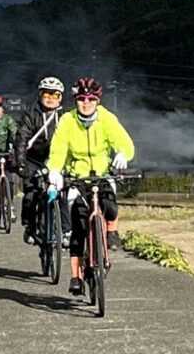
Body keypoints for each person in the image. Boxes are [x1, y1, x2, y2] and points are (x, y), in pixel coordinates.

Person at [47, 76, 135, 296]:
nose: (86, 103)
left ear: (97, 101)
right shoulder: (67, 121)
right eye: (81, 99)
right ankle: (76, 276)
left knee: (111, 206)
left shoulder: (107, 118)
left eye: (91, 99)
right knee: (77, 228)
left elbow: (124, 142)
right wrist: (55, 171)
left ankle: (112, 233)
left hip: (102, 175)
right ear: (76, 100)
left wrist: (124, 154)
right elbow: (58, 149)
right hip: (78, 177)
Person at [15, 76, 70, 245]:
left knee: (63, 193)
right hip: (34, 160)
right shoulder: (30, 115)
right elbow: (22, 140)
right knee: (31, 194)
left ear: (61, 97)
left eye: (55, 95)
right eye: (47, 94)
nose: (51, 98)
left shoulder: (65, 116)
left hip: (57, 159)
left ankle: (66, 231)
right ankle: (29, 227)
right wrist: (21, 163)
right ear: (40, 95)